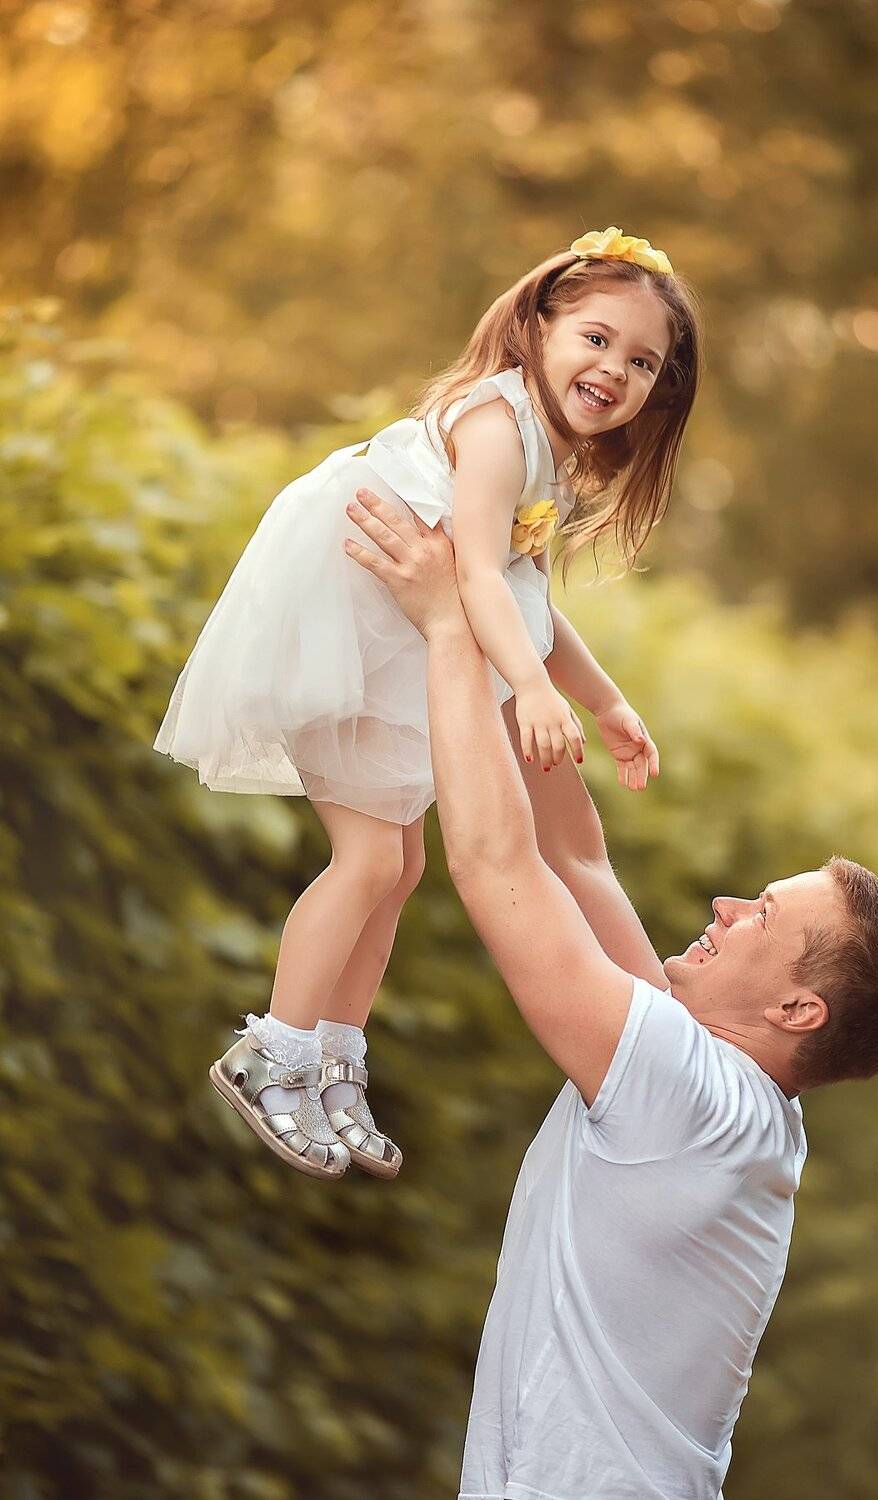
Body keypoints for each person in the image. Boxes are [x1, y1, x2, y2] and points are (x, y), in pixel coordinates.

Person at [341, 487, 878, 1500]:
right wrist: (505, 622)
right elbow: (575, 858)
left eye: (761, 915)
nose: (725, 906)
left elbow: (496, 866)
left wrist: (446, 628)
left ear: (798, 1012)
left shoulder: (689, 1097)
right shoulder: (726, 1094)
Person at [152, 226, 702, 1180]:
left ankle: (334, 1063)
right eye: (597, 337)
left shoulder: (550, 455)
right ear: (538, 325)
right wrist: (532, 689)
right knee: (369, 859)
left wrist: (606, 701)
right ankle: (273, 1049)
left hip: (393, 651)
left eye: (643, 361)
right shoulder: (495, 425)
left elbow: (526, 596)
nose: (615, 369)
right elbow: (478, 579)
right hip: (349, 634)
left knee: (398, 866)